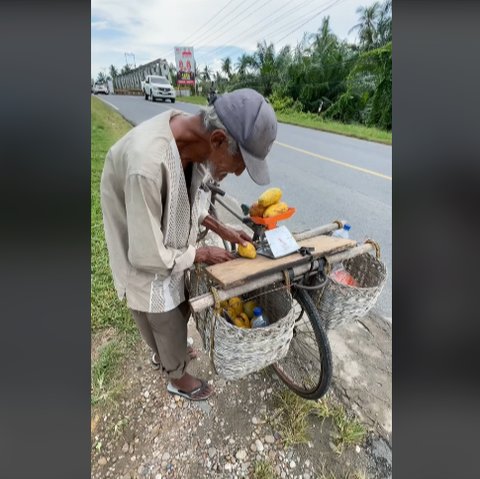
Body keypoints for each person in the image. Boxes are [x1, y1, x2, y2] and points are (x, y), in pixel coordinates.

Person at [100, 88, 278, 401]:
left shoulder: (194, 145)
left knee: (180, 300)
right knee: (160, 308)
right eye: (236, 166)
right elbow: (146, 253)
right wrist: (201, 253)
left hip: (161, 236)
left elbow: (188, 204)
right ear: (219, 140)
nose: (233, 174)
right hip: (141, 244)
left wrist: (221, 227)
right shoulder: (147, 166)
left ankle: (170, 353)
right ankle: (176, 377)